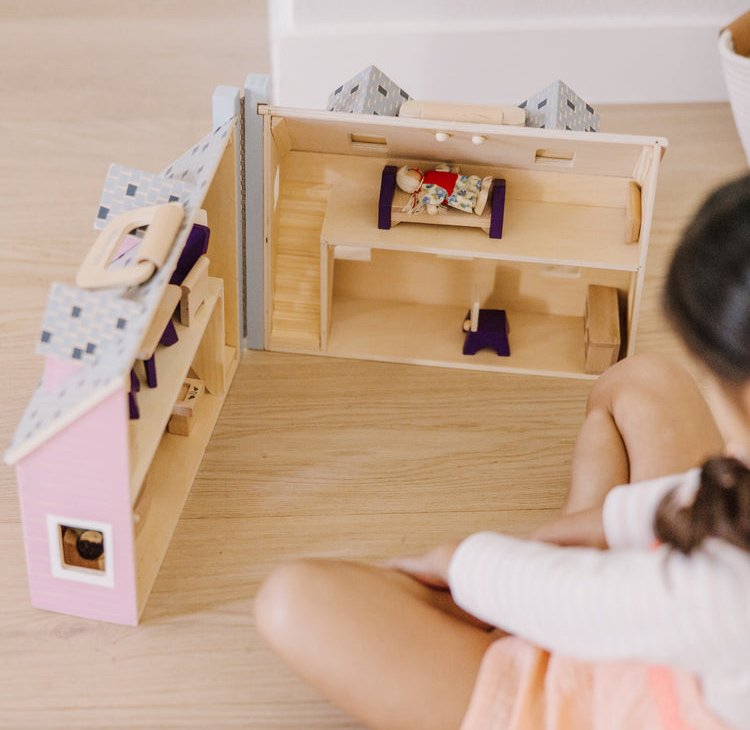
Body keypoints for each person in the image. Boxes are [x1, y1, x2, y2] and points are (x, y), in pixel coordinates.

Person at [255, 174, 750, 730]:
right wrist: (608, 521)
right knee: (643, 380)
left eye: (717, 376)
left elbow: (595, 604)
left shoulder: (726, 599)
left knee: (293, 602)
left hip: (605, 701)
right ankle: (535, 582)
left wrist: (462, 561)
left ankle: (512, 618)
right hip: (641, 596)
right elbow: (720, 489)